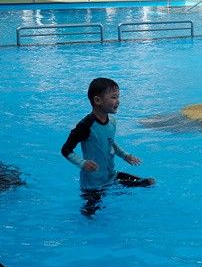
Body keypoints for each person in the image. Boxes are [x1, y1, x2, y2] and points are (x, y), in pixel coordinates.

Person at [61, 77, 154, 216]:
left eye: (118, 97)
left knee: (147, 183)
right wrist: (82, 163)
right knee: (89, 214)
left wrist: (125, 155)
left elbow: (110, 142)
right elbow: (66, 150)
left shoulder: (112, 122)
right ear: (98, 100)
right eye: (114, 97)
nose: (118, 101)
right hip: (92, 185)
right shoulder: (85, 126)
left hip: (111, 175)